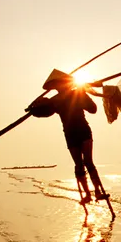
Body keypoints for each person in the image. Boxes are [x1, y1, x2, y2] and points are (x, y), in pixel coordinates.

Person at [27, 69, 108, 204]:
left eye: (61, 83)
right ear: (55, 87)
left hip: (83, 131)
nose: (59, 87)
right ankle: (87, 194)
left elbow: (93, 109)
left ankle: (98, 192)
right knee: (79, 164)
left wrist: (83, 97)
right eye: (57, 85)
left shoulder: (77, 93)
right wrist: (33, 108)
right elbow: (43, 112)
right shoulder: (54, 101)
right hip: (70, 134)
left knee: (88, 161)